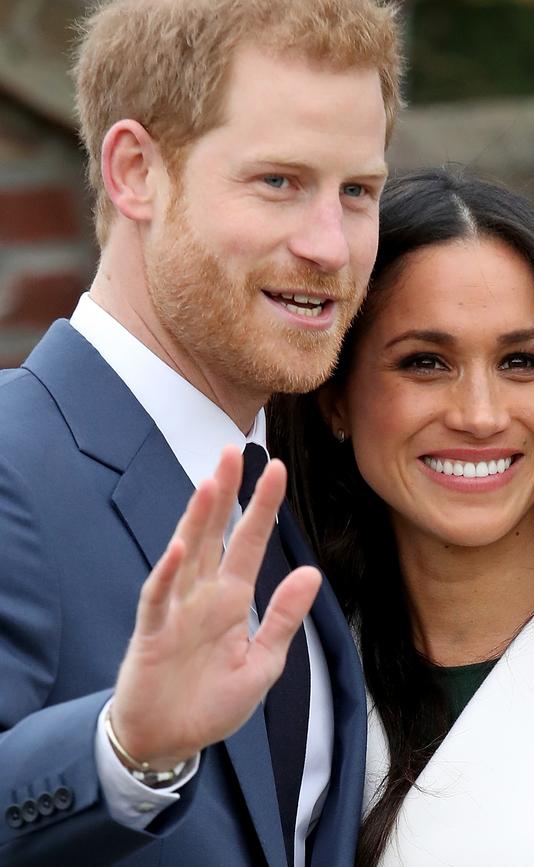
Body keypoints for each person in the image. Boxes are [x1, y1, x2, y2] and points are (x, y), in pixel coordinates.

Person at [0, 1, 403, 864]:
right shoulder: (10, 461)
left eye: (358, 191)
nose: (331, 246)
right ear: (136, 170)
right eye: (279, 181)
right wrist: (121, 751)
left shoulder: (299, 483)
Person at [270, 168, 534, 867]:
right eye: (425, 362)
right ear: (336, 400)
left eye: (520, 361)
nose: (479, 414)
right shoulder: (286, 671)